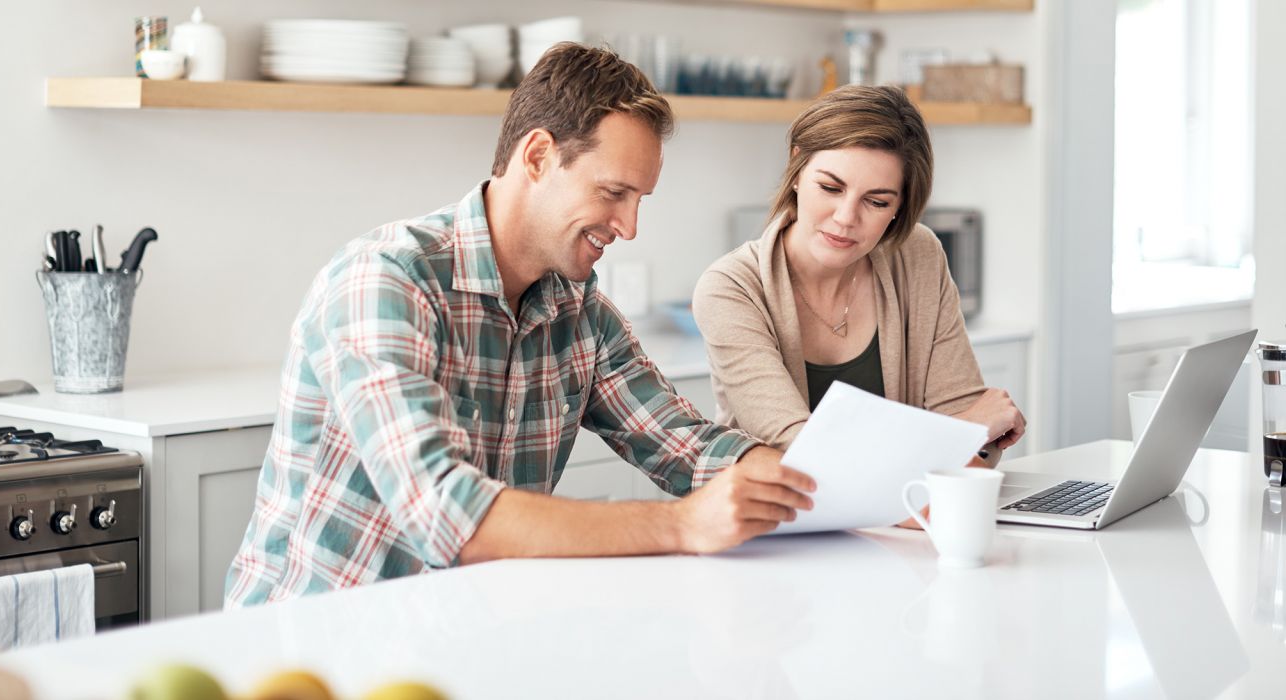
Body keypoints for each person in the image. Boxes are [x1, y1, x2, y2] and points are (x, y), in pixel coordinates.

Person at [225, 44, 815, 607]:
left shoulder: (578, 311)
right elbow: (444, 511)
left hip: (464, 637)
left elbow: (689, 447)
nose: (630, 226)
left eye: (640, 199)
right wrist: (682, 524)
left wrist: (791, 480)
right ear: (537, 157)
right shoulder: (388, 280)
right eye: (613, 192)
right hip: (313, 647)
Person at [691, 85, 1025, 523]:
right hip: (776, 539)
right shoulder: (731, 288)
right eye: (830, 187)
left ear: (900, 207)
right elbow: (802, 454)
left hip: (901, 536)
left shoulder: (917, 254)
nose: (846, 217)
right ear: (796, 168)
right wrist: (963, 432)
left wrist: (965, 436)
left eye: (877, 200)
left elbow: (978, 451)